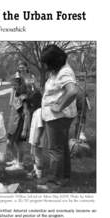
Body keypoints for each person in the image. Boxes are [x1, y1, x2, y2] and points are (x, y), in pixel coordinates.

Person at [40, 44, 78, 187]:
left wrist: (59, 106)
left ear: (54, 60)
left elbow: (72, 91)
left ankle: (53, 182)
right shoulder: (59, 70)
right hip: (59, 117)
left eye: (47, 63)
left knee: (55, 150)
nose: (45, 66)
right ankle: (65, 177)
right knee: (62, 147)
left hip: (58, 117)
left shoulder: (64, 72)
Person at [5, 63, 32, 171]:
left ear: (19, 84)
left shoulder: (23, 96)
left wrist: (25, 129)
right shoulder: (16, 93)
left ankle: (20, 164)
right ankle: (16, 160)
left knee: (18, 143)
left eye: (14, 83)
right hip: (13, 122)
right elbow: (11, 104)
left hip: (20, 123)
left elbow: (26, 112)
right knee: (9, 143)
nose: (12, 85)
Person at [27, 92, 44, 179]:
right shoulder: (35, 111)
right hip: (33, 137)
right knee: (32, 153)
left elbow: (40, 126)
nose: (31, 104)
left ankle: (39, 173)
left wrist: (37, 139)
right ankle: (35, 169)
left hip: (37, 139)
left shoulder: (39, 112)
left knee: (37, 156)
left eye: (32, 102)